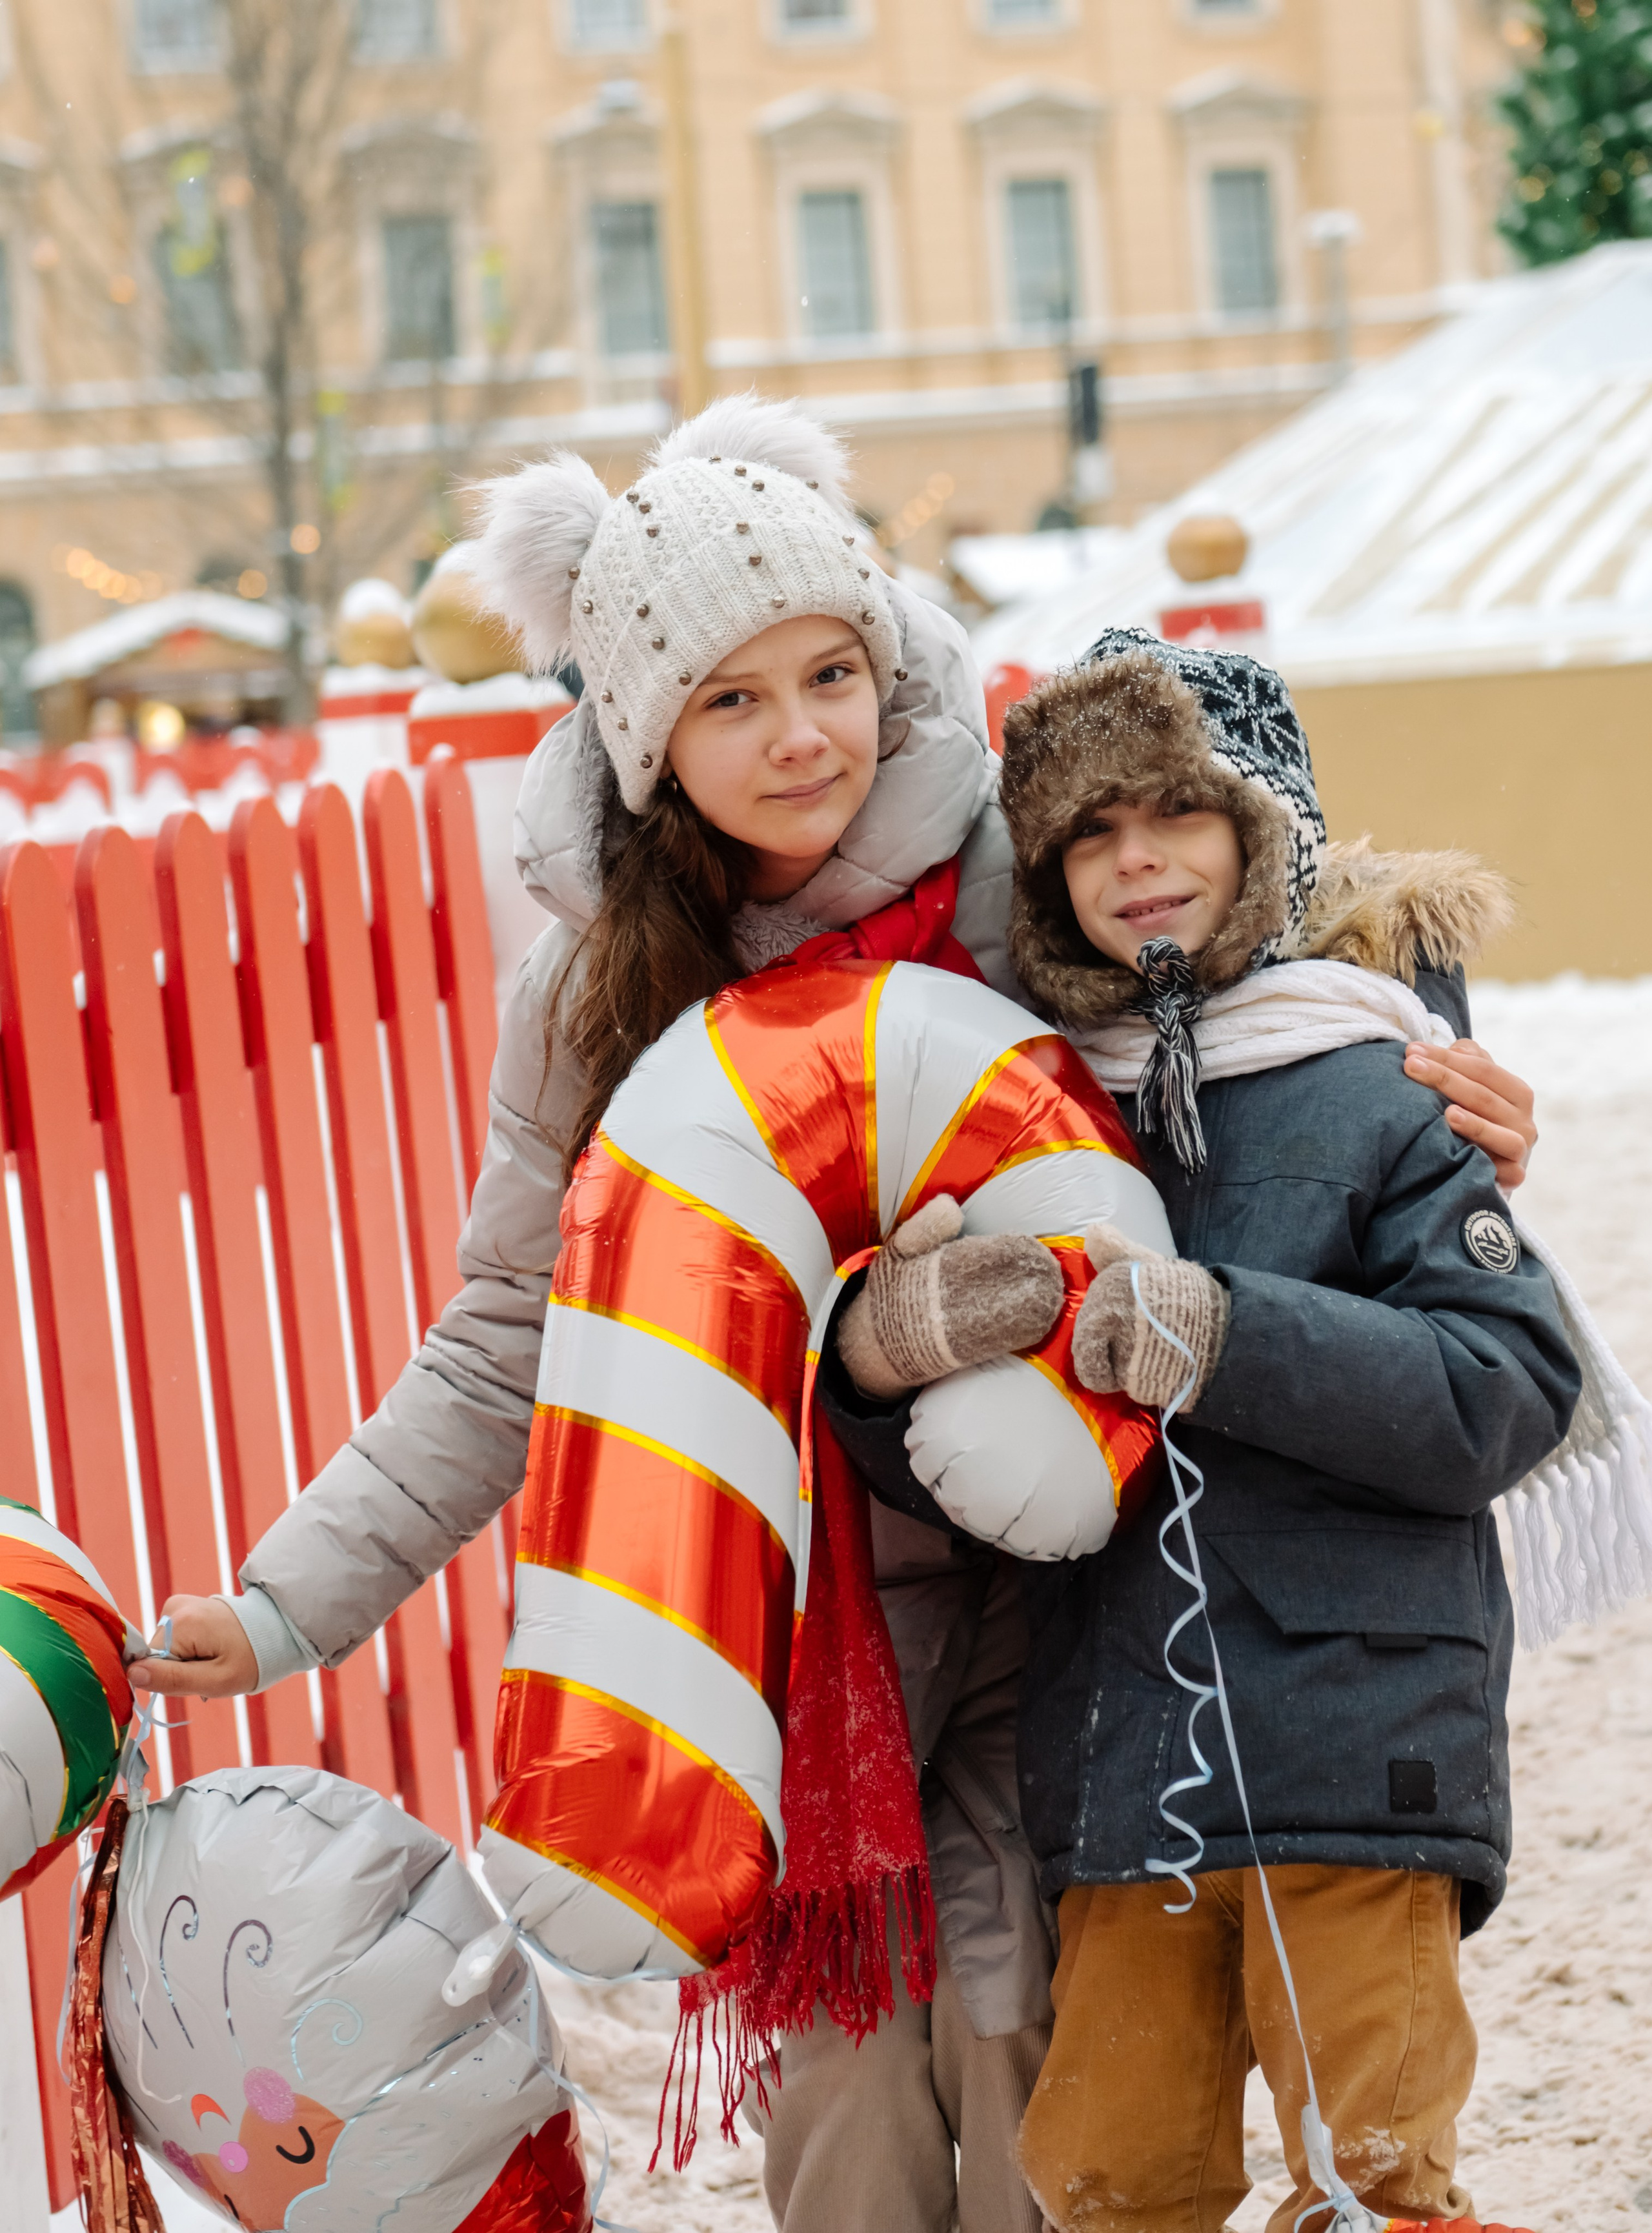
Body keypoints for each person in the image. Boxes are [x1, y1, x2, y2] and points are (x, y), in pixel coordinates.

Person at [129, 414, 1542, 2233]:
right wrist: (276, 1607)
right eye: (730, 701)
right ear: (646, 739)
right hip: (784, 1632)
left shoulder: (997, 887)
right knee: (856, 2099)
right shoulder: (601, 997)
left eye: (831, 671)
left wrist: (1441, 1061)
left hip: (1050, 1577)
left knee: (1031, 2031)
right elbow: (510, 1342)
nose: (802, 733)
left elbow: (1244, 958)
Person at [863, 629, 1575, 2233]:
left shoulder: (1386, 1084)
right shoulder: (1024, 1108)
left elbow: (1498, 1387)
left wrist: (1228, 1334)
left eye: (1173, 817)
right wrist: (885, 1353)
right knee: (1110, 2175)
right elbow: (966, 1454)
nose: (1135, 865)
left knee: (1369, 2173)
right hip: (1122, 1771)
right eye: (1088, 836)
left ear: (1261, 833)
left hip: (1352, 1742)